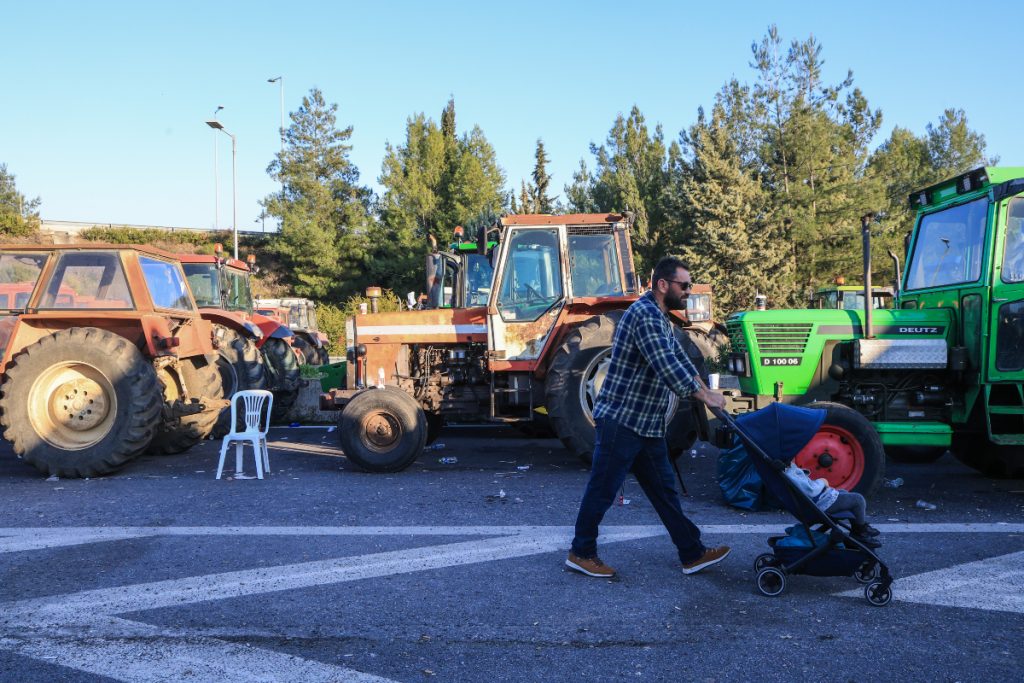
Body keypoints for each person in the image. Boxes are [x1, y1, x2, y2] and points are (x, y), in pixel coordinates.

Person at [566, 256, 731, 578]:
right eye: (684, 286)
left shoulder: (660, 318)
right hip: (623, 421)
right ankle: (581, 552)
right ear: (663, 285)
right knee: (603, 489)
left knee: (664, 492)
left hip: (646, 424)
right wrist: (704, 396)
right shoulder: (644, 316)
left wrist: (705, 390)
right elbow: (666, 367)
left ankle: (691, 552)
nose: (688, 291)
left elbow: (679, 360)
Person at [782, 463, 881, 548]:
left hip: (819, 502)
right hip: (821, 505)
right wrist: (822, 481)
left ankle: (858, 528)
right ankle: (860, 532)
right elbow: (811, 490)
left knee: (844, 493)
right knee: (858, 499)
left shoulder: (786, 470)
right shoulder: (789, 473)